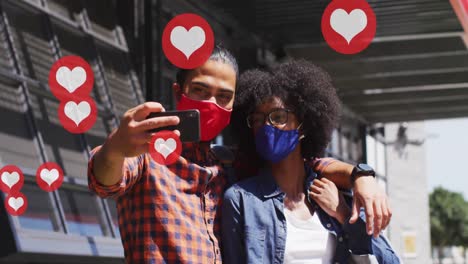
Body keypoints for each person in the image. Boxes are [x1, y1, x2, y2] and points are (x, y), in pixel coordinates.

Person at [88, 46, 391, 263]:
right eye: (200, 90)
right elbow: (104, 178)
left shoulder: (229, 162)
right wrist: (116, 147)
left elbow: (303, 163)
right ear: (178, 92)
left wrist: (361, 175)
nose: (211, 102)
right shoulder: (145, 154)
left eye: (224, 97)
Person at [222, 60, 400, 264]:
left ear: (304, 127)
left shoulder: (337, 194)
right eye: (257, 119)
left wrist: (342, 214)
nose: (266, 126)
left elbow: (389, 261)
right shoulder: (240, 200)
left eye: (278, 116)